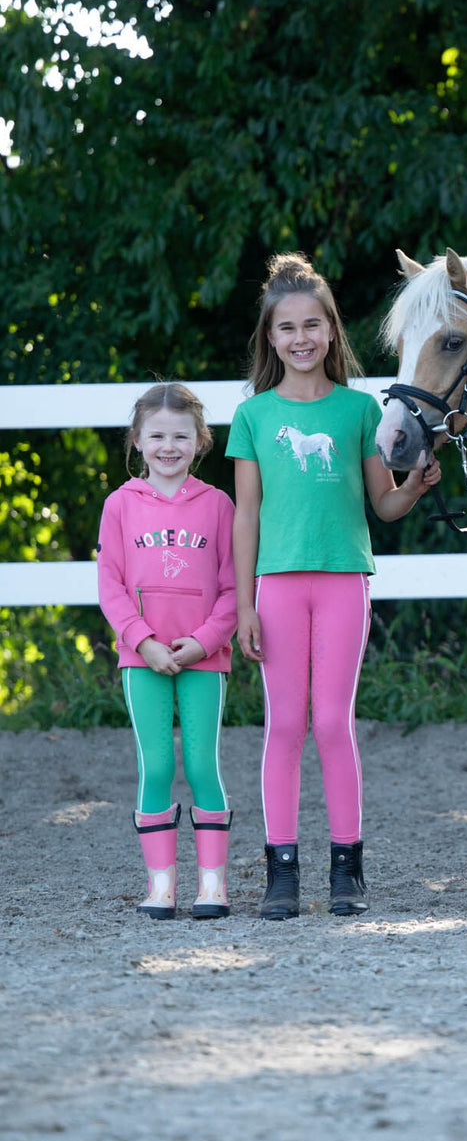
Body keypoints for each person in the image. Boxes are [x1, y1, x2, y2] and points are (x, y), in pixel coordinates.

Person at [227, 252, 440, 921]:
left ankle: (347, 867)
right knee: (284, 725)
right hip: (279, 587)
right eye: (286, 327)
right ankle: (281, 871)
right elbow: (246, 516)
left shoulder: (357, 411)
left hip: (344, 579)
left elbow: (383, 505)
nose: (300, 338)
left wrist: (412, 488)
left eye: (312, 324)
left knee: (331, 724)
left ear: (330, 330)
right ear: (271, 338)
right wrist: (242, 607)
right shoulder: (254, 416)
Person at [97, 383, 238, 920]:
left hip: (205, 656)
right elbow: (109, 585)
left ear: (199, 441)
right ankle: (161, 887)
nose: (168, 446)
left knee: (203, 764)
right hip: (143, 659)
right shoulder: (120, 505)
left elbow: (232, 588)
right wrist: (143, 641)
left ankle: (212, 885)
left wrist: (205, 639)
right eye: (156, 435)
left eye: (180, 435)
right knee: (155, 766)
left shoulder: (218, 505)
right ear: (137, 440)